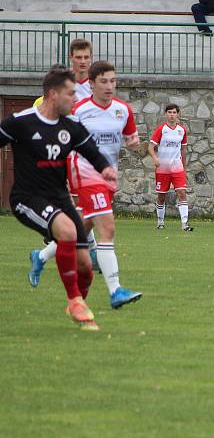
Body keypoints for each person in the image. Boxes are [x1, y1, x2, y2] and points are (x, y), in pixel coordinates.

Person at [0, 65, 116, 331]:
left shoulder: (71, 125)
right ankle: (75, 300)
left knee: (86, 265)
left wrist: (105, 169)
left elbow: (91, 151)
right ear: (53, 94)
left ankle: (79, 306)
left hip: (59, 197)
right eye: (71, 94)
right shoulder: (21, 121)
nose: (75, 99)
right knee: (66, 231)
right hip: (27, 198)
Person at [70, 61, 143, 309]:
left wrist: (136, 144)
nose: (110, 86)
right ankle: (116, 291)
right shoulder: (78, 110)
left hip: (109, 177)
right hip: (85, 173)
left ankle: (44, 254)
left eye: (113, 81)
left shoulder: (123, 110)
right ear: (91, 84)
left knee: (83, 226)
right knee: (108, 228)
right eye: (104, 81)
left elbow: (131, 139)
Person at [29, 38, 99, 286]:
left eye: (86, 57)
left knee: (90, 212)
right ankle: (93, 252)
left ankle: (45, 255)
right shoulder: (62, 85)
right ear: (71, 58)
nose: (82, 61)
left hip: (88, 156)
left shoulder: (96, 84)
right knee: (87, 212)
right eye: (78, 57)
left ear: (91, 57)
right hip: (66, 155)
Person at [148, 104, 193, 231]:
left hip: (177, 167)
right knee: (161, 196)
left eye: (174, 112)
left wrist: (184, 168)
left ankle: (185, 224)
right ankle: (160, 222)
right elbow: (150, 147)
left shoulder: (182, 130)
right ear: (165, 114)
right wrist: (155, 158)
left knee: (182, 193)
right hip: (162, 169)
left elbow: (183, 150)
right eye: (169, 112)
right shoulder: (161, 129)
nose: (172, 114)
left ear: (178, 114)